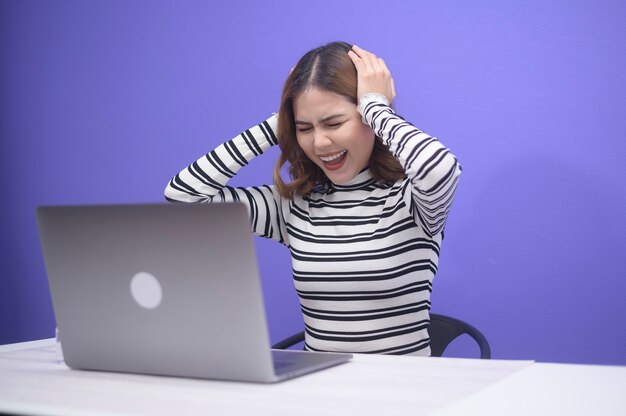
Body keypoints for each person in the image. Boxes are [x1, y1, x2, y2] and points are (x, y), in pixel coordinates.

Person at [164, 42, 461, 356]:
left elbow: (439, 167)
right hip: (318, 394)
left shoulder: (412, 199)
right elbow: (183, 198)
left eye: (334, 123)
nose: (320, 143)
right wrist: (281, 121)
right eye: (304, 128)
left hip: (405, 397)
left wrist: (376, 104)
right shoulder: (295, 206)